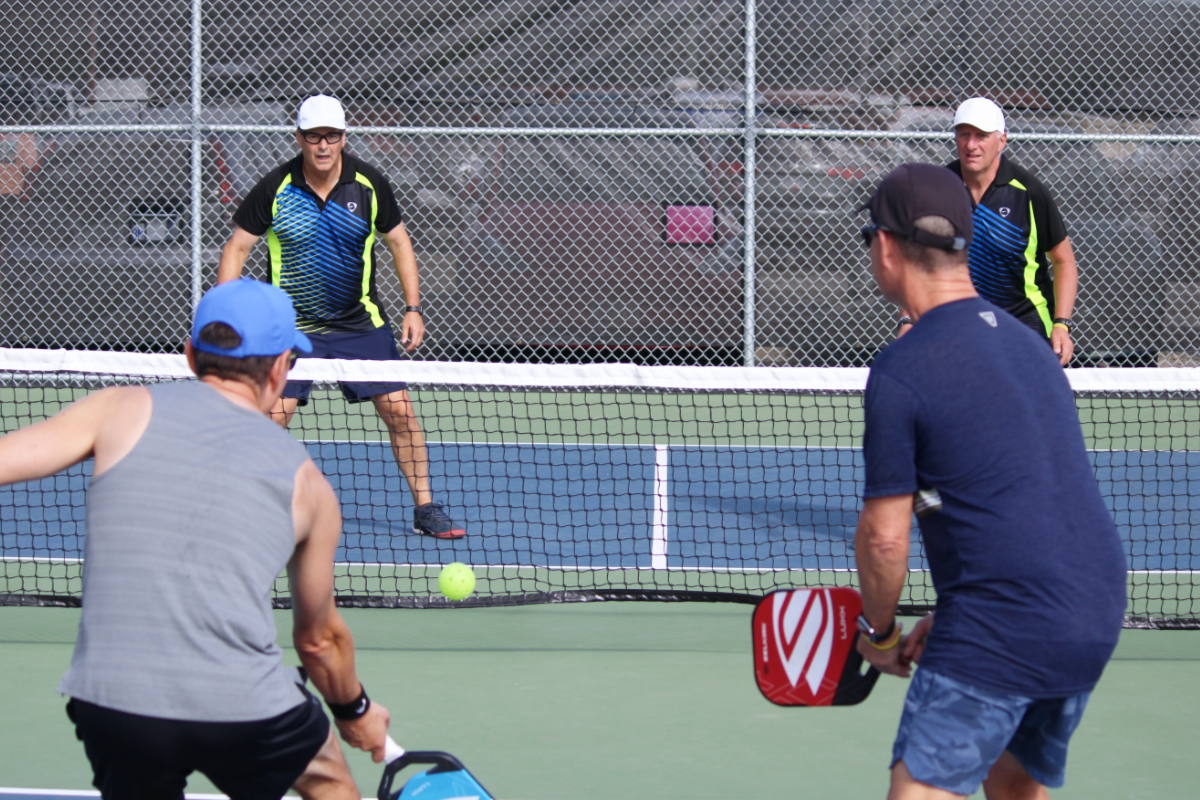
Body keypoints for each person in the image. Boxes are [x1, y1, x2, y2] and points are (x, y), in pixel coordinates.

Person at [0, 279, 390, 799]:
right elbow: (319, 642)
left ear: (189, 356)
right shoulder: (310, 486)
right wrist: (354, 712)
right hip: (246, 708)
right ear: (280, 368)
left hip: (113, 704)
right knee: (329, 783)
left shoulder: (115, 408)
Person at [855, 163, 1126, 799]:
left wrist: (881, 634)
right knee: (1013, 784)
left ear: (887, 246)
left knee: (919, 791)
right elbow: (1021, 499)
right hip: (1091, 608)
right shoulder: (1031, 348)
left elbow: (885, 540)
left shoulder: (902, 368)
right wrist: (952, 612)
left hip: (1006, 620)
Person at [217, 93, 464, 539]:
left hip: (359, 324)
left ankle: (426, 507)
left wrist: (413, 309)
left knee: (401, 415)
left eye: (331, 135)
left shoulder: (369, 184)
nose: (323, 145)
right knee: (271, 417)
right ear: (299, 139)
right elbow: (236, 248)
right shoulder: (275, 187)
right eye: (314, 136)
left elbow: (400, 243)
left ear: (344, 138)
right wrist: (225, 315)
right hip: (290, 329)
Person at [896, 97, 1079, 366]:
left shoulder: (1029, 192)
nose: (971, 145)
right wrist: (908, 320)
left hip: (1024, 322)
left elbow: (1064, 261)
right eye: (964, 134)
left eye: (982, 135)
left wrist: (1061, 325)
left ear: (1001, 141)